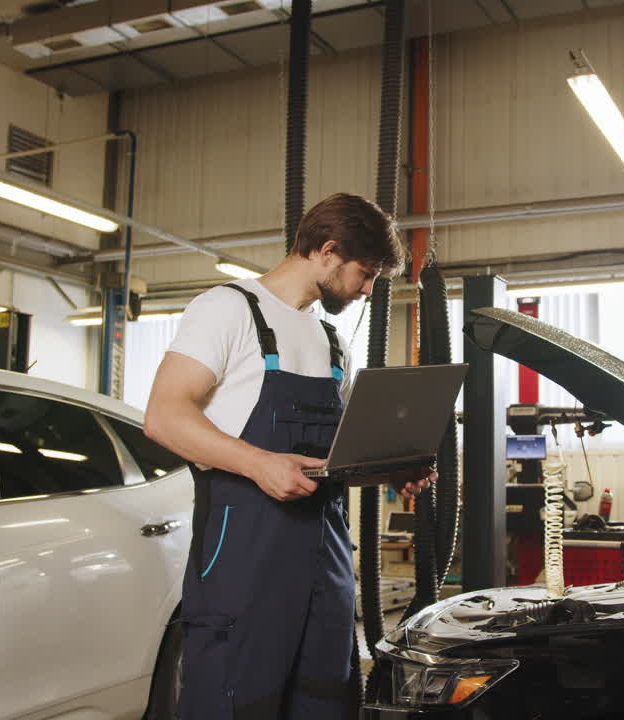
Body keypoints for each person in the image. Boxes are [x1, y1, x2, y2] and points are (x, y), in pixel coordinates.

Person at [144, 192, 433, 720]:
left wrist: (391, 471)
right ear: (326, 251)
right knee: (236, 700)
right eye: (365, 273)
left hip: (325, 556)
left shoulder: (329, 340)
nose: (368, 289)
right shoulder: (227, 309)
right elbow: (164, 416)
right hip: (244, 554)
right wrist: (258, 462)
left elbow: (329, 459)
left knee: (323, 699)